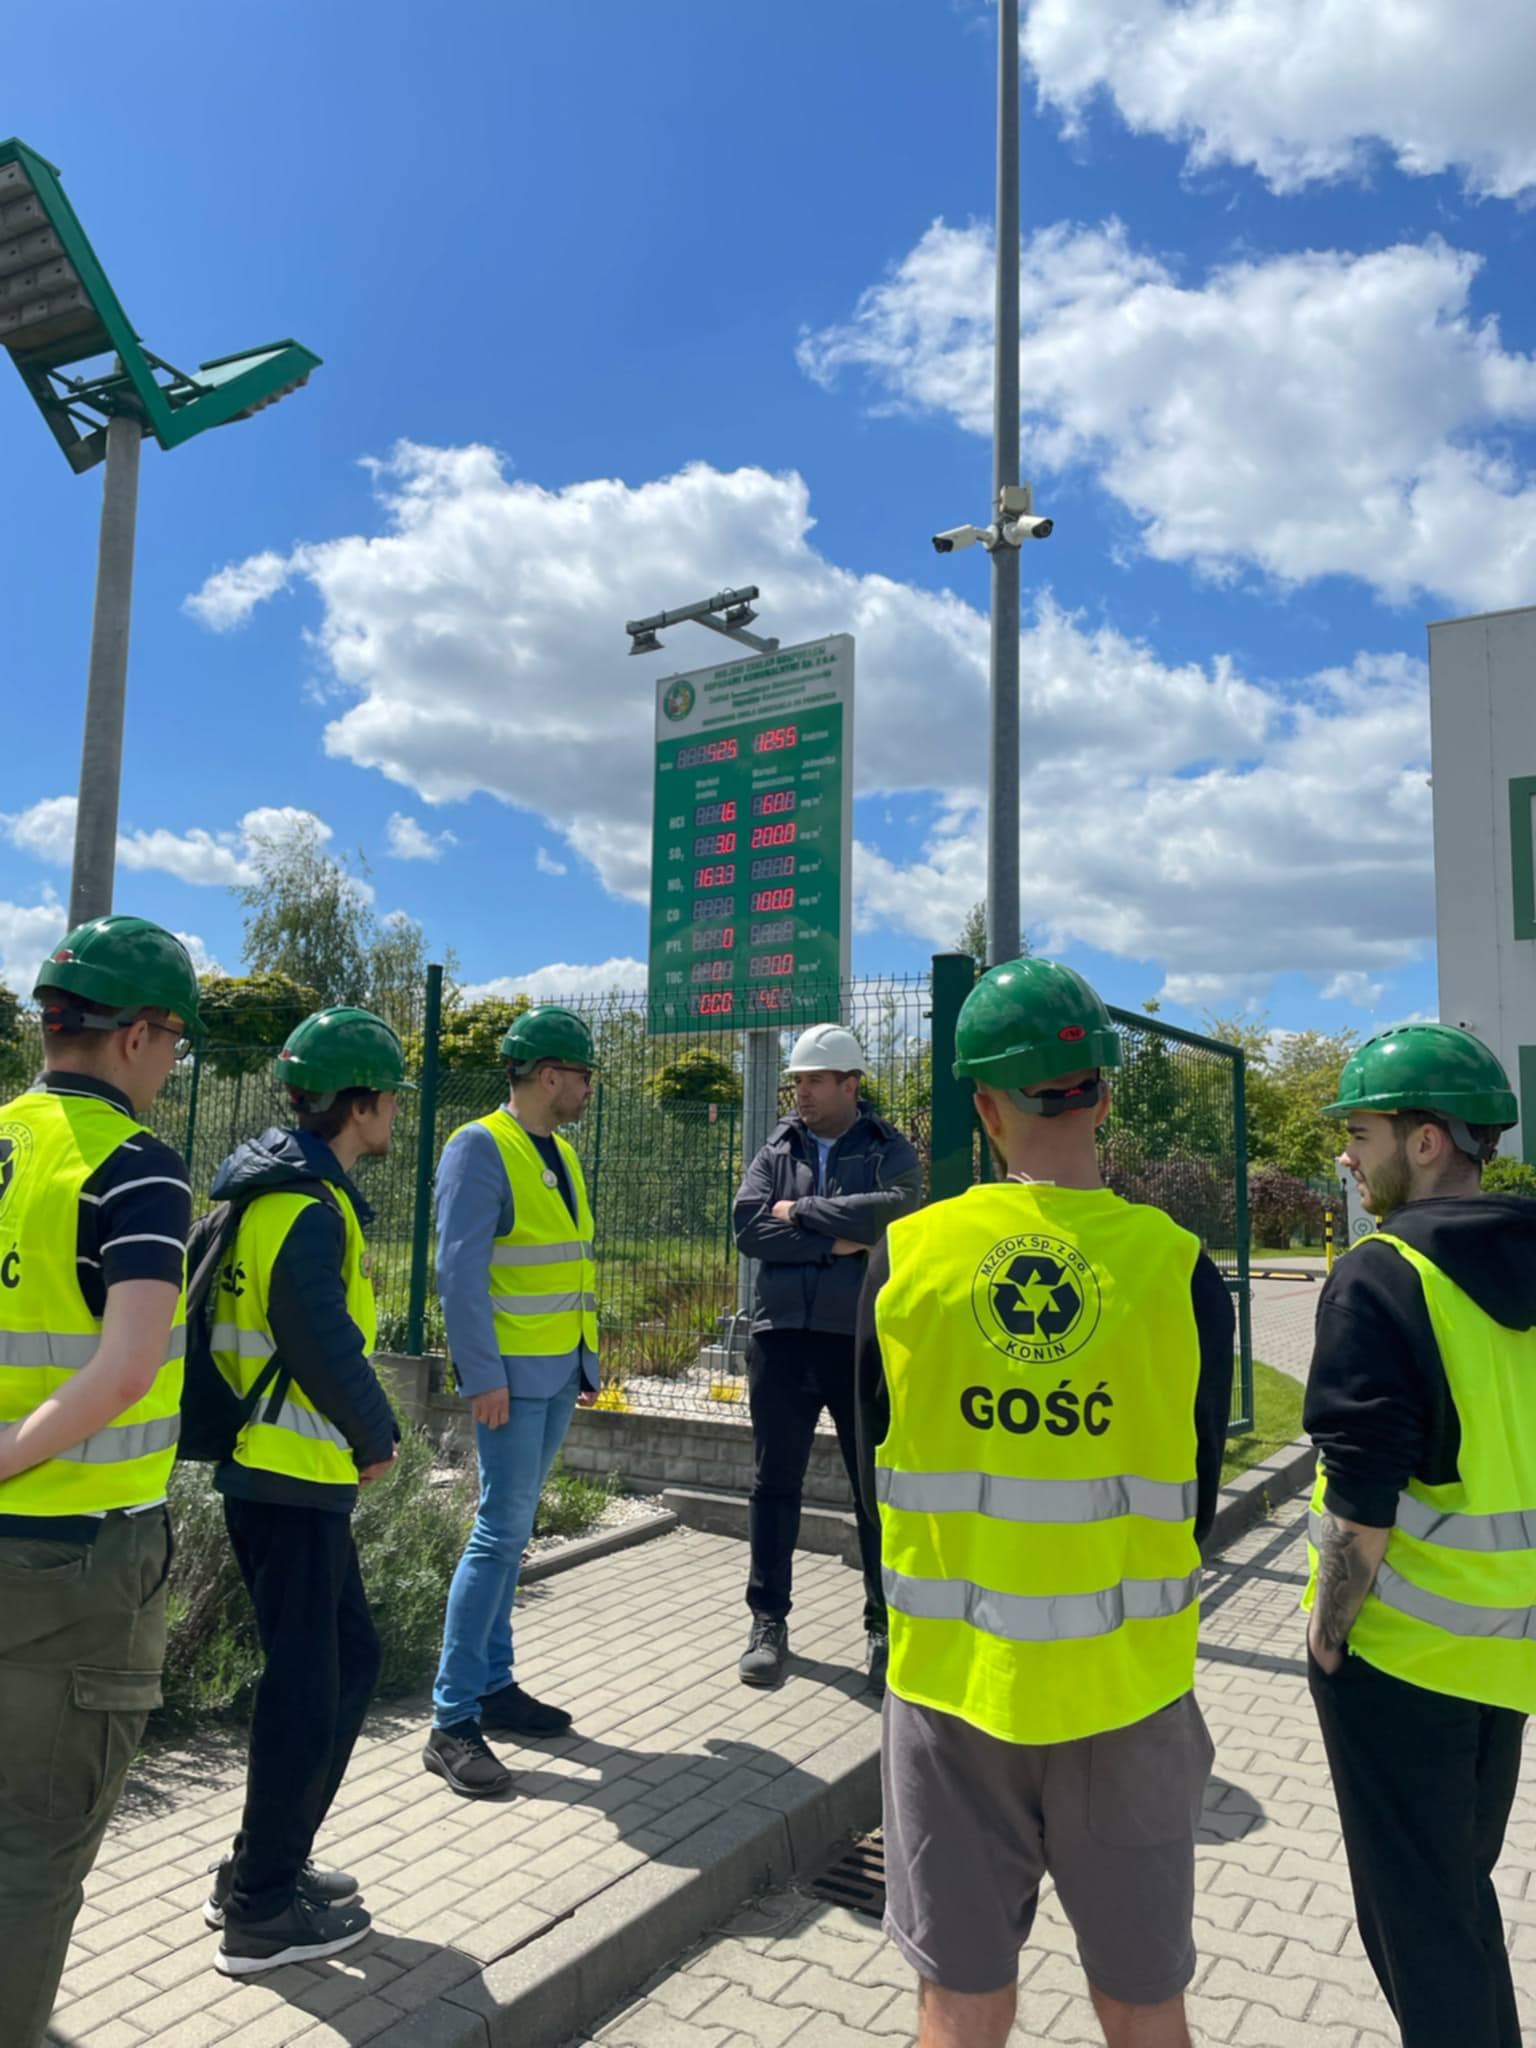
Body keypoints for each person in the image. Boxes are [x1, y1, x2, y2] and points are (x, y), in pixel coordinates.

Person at [855, 957, 1235, 2048]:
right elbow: (1195, 1497)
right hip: (1128, 1688)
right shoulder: (1179, 1269)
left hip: (952, 1689)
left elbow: (877, 1484)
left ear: (984, 1107)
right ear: (1103, 1094)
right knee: (1144, 2003)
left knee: (959, 2002)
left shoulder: (905, 1260)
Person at [1302, 1023, 1534, 2048]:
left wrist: (1327, 1636)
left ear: (1428, 1140)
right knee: (1458, 1900)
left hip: (1398, 1665)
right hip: (1508, 1658)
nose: (1347, 1157)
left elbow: (1363, 1502)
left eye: (1361, 1133)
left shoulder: (1381, 1276)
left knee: (1420, 1930)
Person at [0, 915, 201, 2048]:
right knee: (33, 1853)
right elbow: (126, 1367)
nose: (171, 1063)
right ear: (135, 1035)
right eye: (174, 1041)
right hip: (75, 1566)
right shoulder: (135, 1166)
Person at [203, 1007, 404, 1977]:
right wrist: (377, 1431)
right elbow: (318, 1334)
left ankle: (262, 1863)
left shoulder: (273, 1192)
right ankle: (260, 1906)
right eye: (390, 1097)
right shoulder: (309, 1208)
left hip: (280, 1473)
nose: (396, 1111)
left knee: (346, 1658)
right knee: (309, 1683)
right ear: (359, 1105)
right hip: (292, 1473)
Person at [423, 1005, 601, 1798]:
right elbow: (458, 1272)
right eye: (584, 1075)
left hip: (556, 1373)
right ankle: (452, 1719)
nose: (589, 1089)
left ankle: (493, 1685)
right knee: (498, 1534)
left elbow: (568, 1263)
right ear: (551, 1075)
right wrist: (481, 1373)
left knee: (513, 1531)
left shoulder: (559, 1151)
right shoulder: (478, 1146)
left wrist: (584, 1359)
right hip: (509, 1380)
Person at [732, 1022, 922, 1694]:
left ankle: (884, 1626)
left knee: (873, 1490)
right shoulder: (778, 1146)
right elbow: (749, 1227)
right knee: (773, 1485)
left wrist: (802, 1211)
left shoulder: (886, 1148)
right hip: (780, 1337)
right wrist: (835, 1241)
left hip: (858, 1341)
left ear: (850, 1083)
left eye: (814, 1080)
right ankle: (767, 1623)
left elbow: (898, 1214)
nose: (802, 1092)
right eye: (797, 1081)